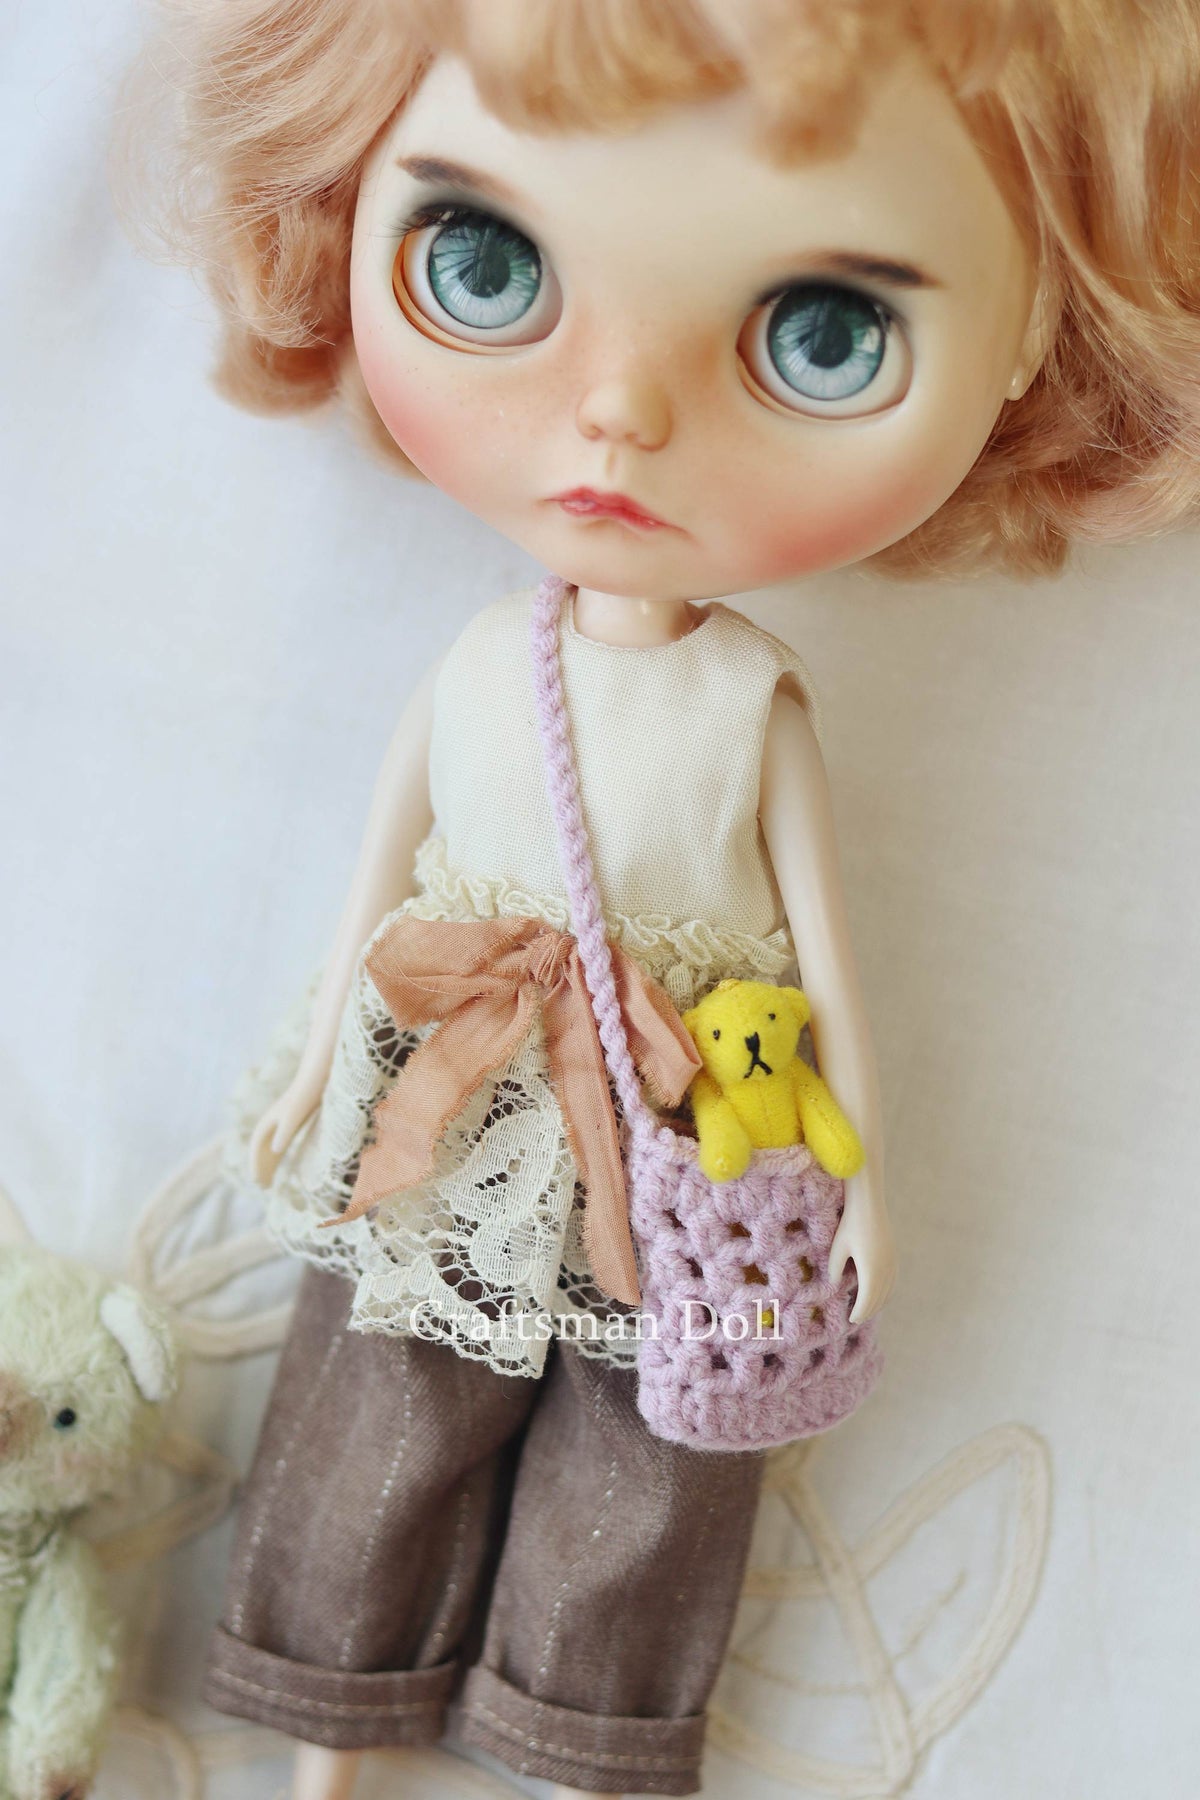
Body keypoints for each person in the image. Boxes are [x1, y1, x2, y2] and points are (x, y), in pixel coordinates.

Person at [123, 3, 1200, 1796]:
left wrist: (859, 1173)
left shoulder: (751, 700)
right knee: (385, 1387)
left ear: (1029, 341)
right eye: (484, 263)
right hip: (464, 1083)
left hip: (697, 1107)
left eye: (825, 332)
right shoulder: (483, 663)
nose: (621, 414)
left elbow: (824, 972)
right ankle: (329, 1717)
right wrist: (321, 1065)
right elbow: (382, 885)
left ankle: (586, 1728)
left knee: (660, 1439)